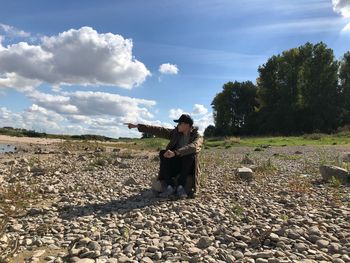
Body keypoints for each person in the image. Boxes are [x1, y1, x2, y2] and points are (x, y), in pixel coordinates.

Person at [126, 114, 203, 198]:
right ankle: (170, 186)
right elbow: (158, 130)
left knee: (190, 155)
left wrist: (176, 152)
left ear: (187, 125)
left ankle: (181, 187)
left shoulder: (197, 137)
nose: (178, 126)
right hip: (176, 165)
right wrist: (138, 126)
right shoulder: (175, 133)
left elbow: (193, 147)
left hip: (188, 167)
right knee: (163, 153)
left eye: (180, 123)